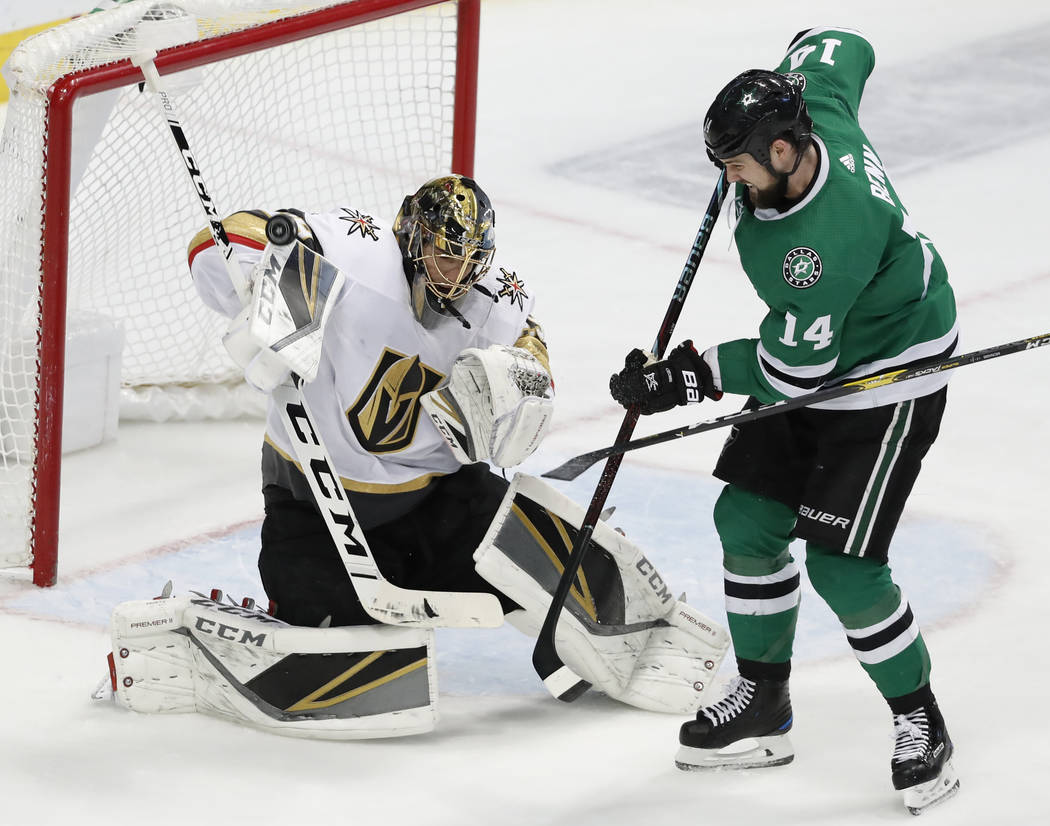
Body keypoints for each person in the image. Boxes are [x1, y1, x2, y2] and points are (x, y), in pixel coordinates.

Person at [100, 174, 729, 740]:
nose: (453, 272)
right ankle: (192, 640)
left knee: (535, 546)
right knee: (348, 657)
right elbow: (215, 245)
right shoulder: (349, 250)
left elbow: (533, 373)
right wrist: (266, 269)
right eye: (441, 251)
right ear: (411, 234)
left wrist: (517, 387)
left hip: (433, 504)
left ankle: (646, 627)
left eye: (468, 258)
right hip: (316, 509)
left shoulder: (495, 306)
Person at [608, 28, 960, 815]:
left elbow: (792, 371)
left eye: (736, 166)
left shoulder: (820, 247)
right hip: (821, 344)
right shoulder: (815, 109)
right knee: (746, 519)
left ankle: (920, 720)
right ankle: (765, 702)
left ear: (780, 152)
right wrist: (789, 67)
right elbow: (840, 44)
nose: (728, 181)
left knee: (845, 567)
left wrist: (688, 375)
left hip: (884, 373)